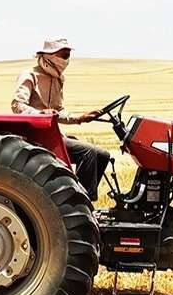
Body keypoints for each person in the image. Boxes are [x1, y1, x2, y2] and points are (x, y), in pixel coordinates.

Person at [11, 38, 112, 199]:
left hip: (54, 134)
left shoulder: (58, 79)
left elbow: (58, 112)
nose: (66, 60)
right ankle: (79, 201)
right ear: (49, 55)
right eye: (64, 55)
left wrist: (81, 118)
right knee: (88, 152)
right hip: (36, 136)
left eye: (68, 56)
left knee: (103, 155)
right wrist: (40, 114)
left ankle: (86, 196)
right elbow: (17, 105)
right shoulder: (30, 75)